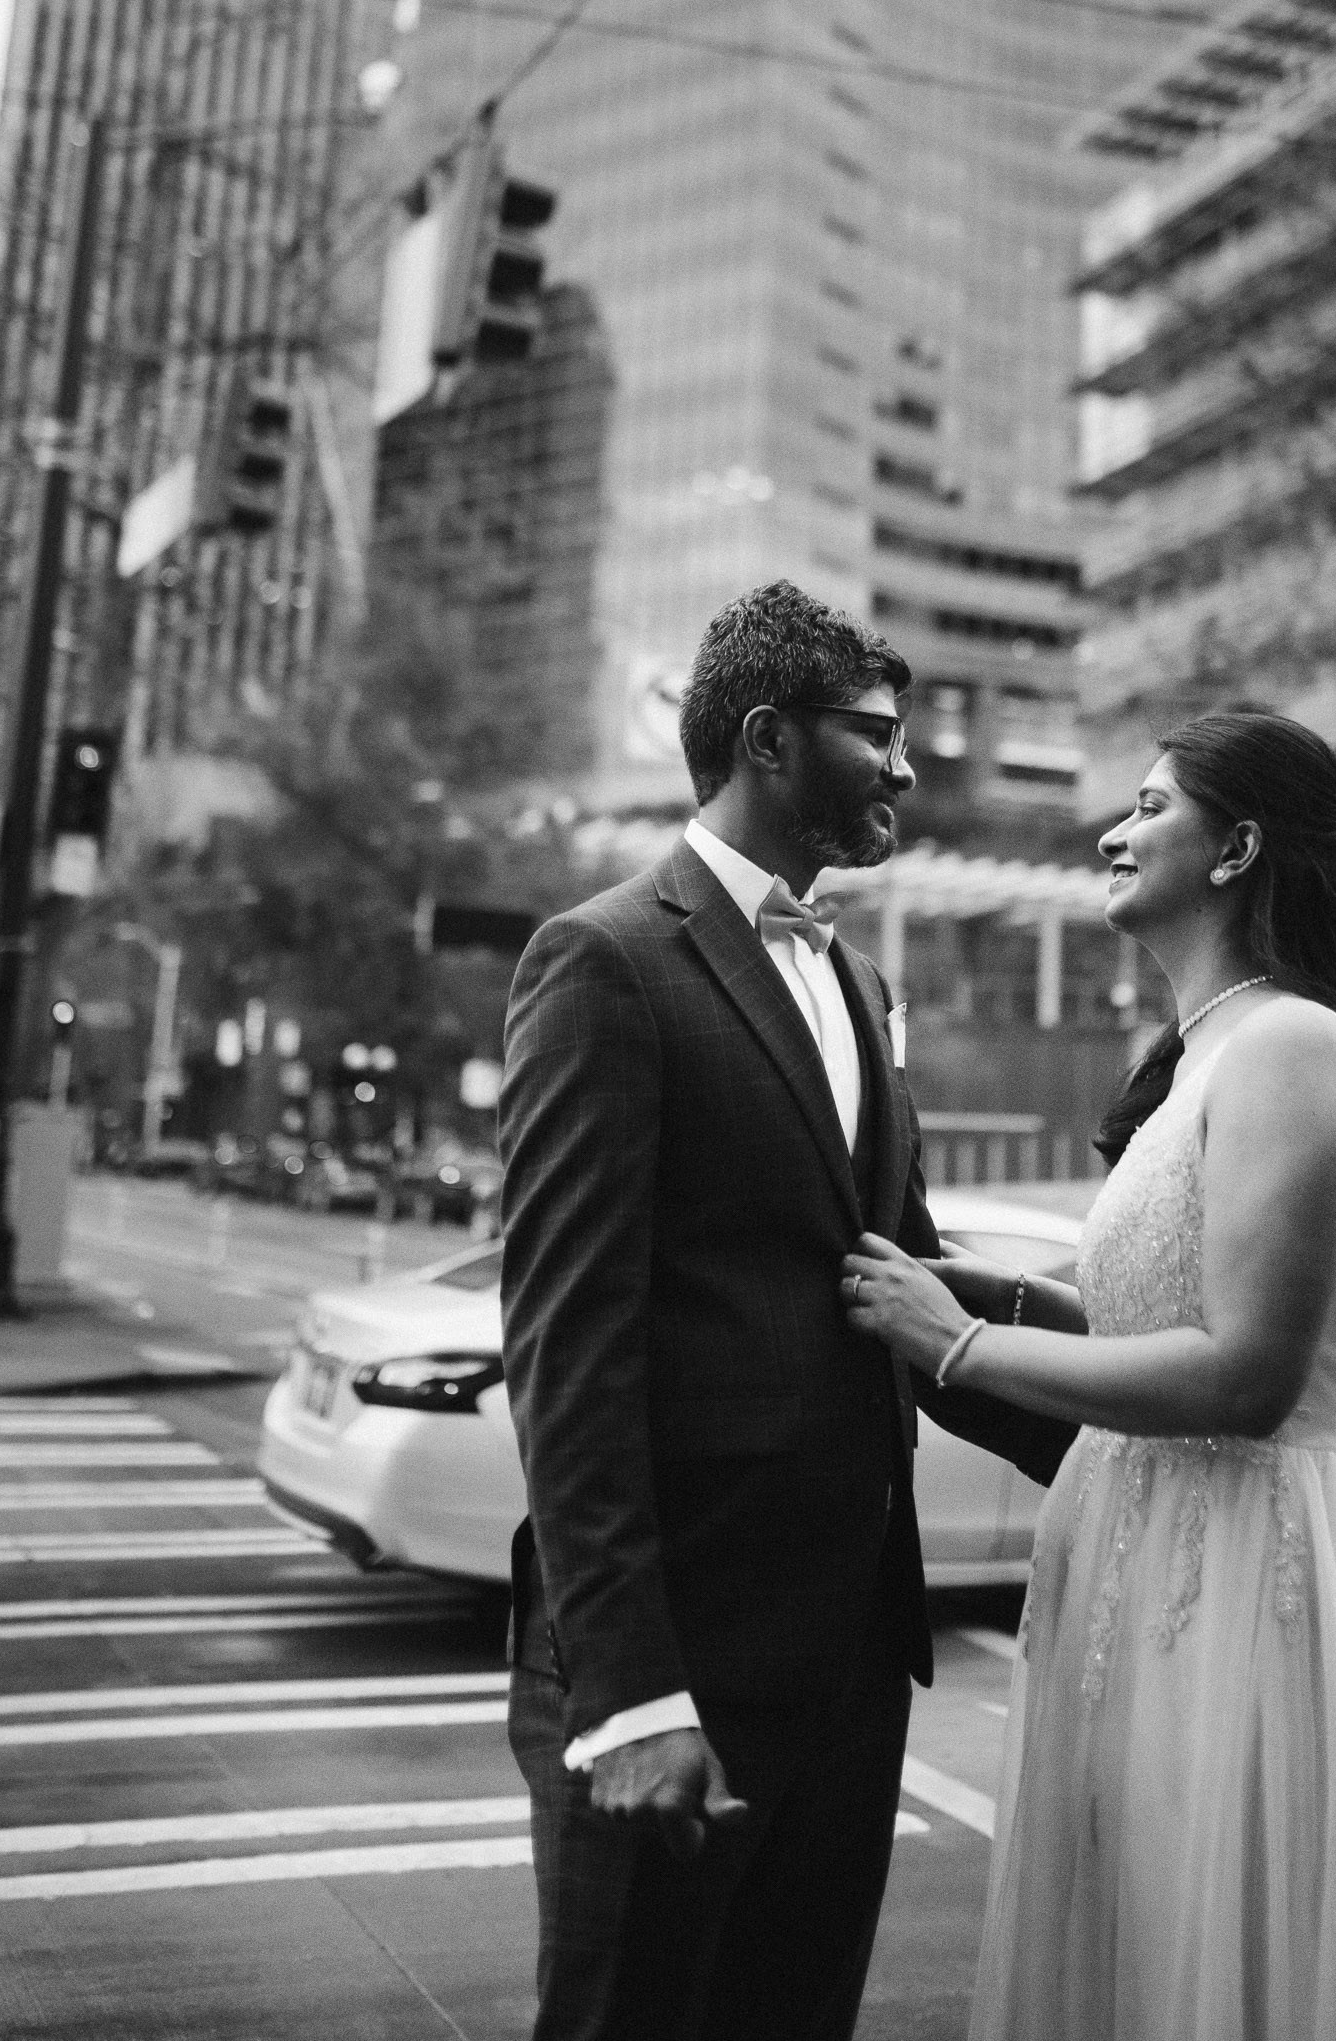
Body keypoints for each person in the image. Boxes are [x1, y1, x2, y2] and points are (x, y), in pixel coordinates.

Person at [842, 705, 1336, 2041]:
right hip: (1154, 1565)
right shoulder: (1215, 1052)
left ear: (1236, 848)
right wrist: (986, 1291)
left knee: (1226, 1959)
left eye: (1152, 805)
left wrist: (956, 1345)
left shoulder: (1292, 1045)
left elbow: (1248, 1376)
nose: (1117, 831)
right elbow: (1149, 1312)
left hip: (1241, 1576)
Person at [497, 580, 1064, 2041]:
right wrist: (629, 1694)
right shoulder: (604, 958)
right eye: (876, 735)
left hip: (853, 1665)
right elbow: (567, 1347)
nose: (907, 766)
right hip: (675, 1665)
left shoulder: (860, 981)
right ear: (769, 740)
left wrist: (1128, 1422)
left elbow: (905, 1283)